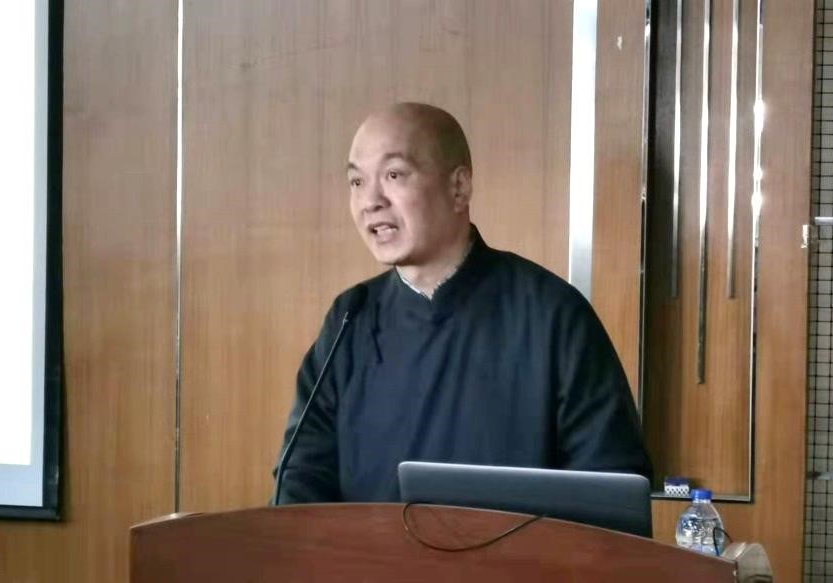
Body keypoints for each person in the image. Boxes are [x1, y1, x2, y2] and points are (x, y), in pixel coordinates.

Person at [274, 102, 651, 504]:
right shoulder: (350, 318)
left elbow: (610, 490)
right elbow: (300, 480)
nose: (371, 200)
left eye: (393, 175)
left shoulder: (552, 315)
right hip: (366, 549)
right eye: (356, 182)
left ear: (459, 188)